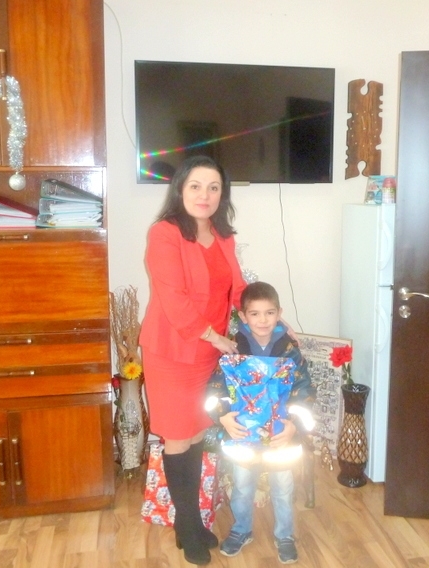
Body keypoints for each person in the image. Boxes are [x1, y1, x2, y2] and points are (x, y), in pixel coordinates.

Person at [139, 155, 247, 566]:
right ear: (180, 190)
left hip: (209, 353)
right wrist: (216, 337)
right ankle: (187, 525)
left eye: (214, 187)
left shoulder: (222, 235)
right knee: (178, 437)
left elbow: (238, 289)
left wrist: (269, 319)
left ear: (223, 194)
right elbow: (174, 299)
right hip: (171, 350)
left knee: (200, 430)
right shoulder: (164, 233)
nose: (205, 195)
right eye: (196, 186)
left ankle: (193, 522)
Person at [205, 281, 316, 565]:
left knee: (283, 487)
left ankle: (285, 535)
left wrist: (293, 424)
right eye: (255, 314)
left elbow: (303, 390)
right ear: (243, 316)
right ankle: (241, 529)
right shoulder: (234, 350)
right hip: (243, 434)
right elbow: (216, 389)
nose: (263, 320)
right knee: (243, 486)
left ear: (279, 313)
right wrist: (223, 416)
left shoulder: (290, 350)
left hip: (281, 436)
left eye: (269, 313)